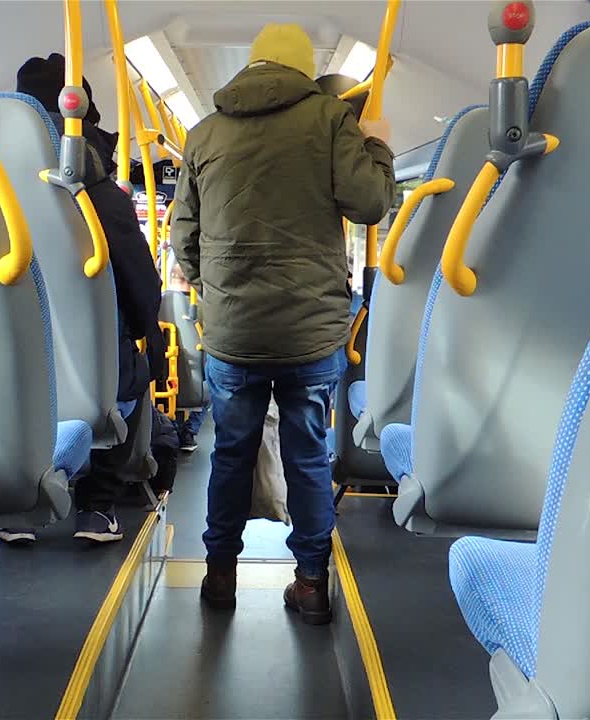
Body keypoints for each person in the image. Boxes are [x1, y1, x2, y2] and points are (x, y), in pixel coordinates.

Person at [170, 24, 394, 624]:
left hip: (234, 335)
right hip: (309, 334)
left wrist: (216, 290)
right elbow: (371, 203)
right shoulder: (330, 122)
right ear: (301, 70)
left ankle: (220, 579)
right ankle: (311, 582)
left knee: (231, 454)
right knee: (308, 457)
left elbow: (184, 240)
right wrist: (377, 145)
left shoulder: (203, 133)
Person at [17, 53, 168, 543]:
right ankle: (97, 506)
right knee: (134, 369)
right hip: (92, 370)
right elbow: (141, 281)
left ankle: (9, 503)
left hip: (13, 373)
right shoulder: (98, 192)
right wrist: (152, 335)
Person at [164, 256, 206, 452]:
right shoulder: (199, 308)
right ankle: (189, 432)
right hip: (193, 378)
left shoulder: (158, 303)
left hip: (162, 374)